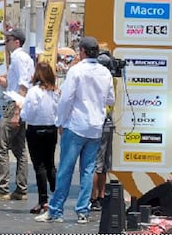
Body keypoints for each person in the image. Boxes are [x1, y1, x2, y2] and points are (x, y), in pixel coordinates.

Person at [36, 35, 114, 225]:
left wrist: (60, 121)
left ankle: (55, 210)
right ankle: (83, 211)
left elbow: (66, 99)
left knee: (65, 169)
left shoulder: (76, 71)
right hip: (95, 126)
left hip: (77, 125)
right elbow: (110, 99)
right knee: (87, 171)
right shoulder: (105, 72)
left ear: (82, 52)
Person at [0, 27, 35, 202]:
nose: (5, 43)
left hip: (15, 104)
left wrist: (17, 111)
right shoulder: (23, 58)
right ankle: (21, 189)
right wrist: (4, 82)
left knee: (1, 146)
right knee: (20, 149)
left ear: (16, 42)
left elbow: (23, 85)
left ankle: (2, 188)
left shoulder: (18, 57)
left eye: (8, 40)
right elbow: (18, 83)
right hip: (19, 102)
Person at [20, 61, 59, 214]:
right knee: (50, 164)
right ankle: (57, 195)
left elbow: (28, 112)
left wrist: (21, 109)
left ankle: (43, 200)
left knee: (39, 166)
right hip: (51, 129)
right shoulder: (55, 91)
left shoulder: (34, 91)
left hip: (35, 129)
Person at [89, 42, 116, 211]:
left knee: (96, 164)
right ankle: (100, 195)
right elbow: (111, 101)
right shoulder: (109, 77)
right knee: (104, 164)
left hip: (98, 123)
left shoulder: (92, 75)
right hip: (107, 123)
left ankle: (94, 198)